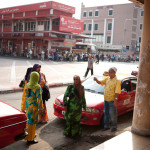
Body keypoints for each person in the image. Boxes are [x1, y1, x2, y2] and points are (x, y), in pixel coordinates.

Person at [94, 67, 121, 132]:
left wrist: (115, 100)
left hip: (112, 100)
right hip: (106, 99)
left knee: (112, 114)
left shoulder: (117, 81)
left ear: (114, 73)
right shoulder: (107, 79)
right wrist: (96, 80)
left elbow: (117, 91)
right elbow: (100, 82)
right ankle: (106, 126)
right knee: (106, 113)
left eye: (111, 72)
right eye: (109, 72)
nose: (109, 73)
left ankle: (114, 126)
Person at [24, 72, 43, 144]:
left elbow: (27, 95)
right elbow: (39, 99)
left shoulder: (27, 85)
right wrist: (41, 108)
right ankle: (30, 139)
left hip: (28, 105)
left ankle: (28, 136)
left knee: (29, 122)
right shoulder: (37, 87)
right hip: (34, 107)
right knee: (32, 123)